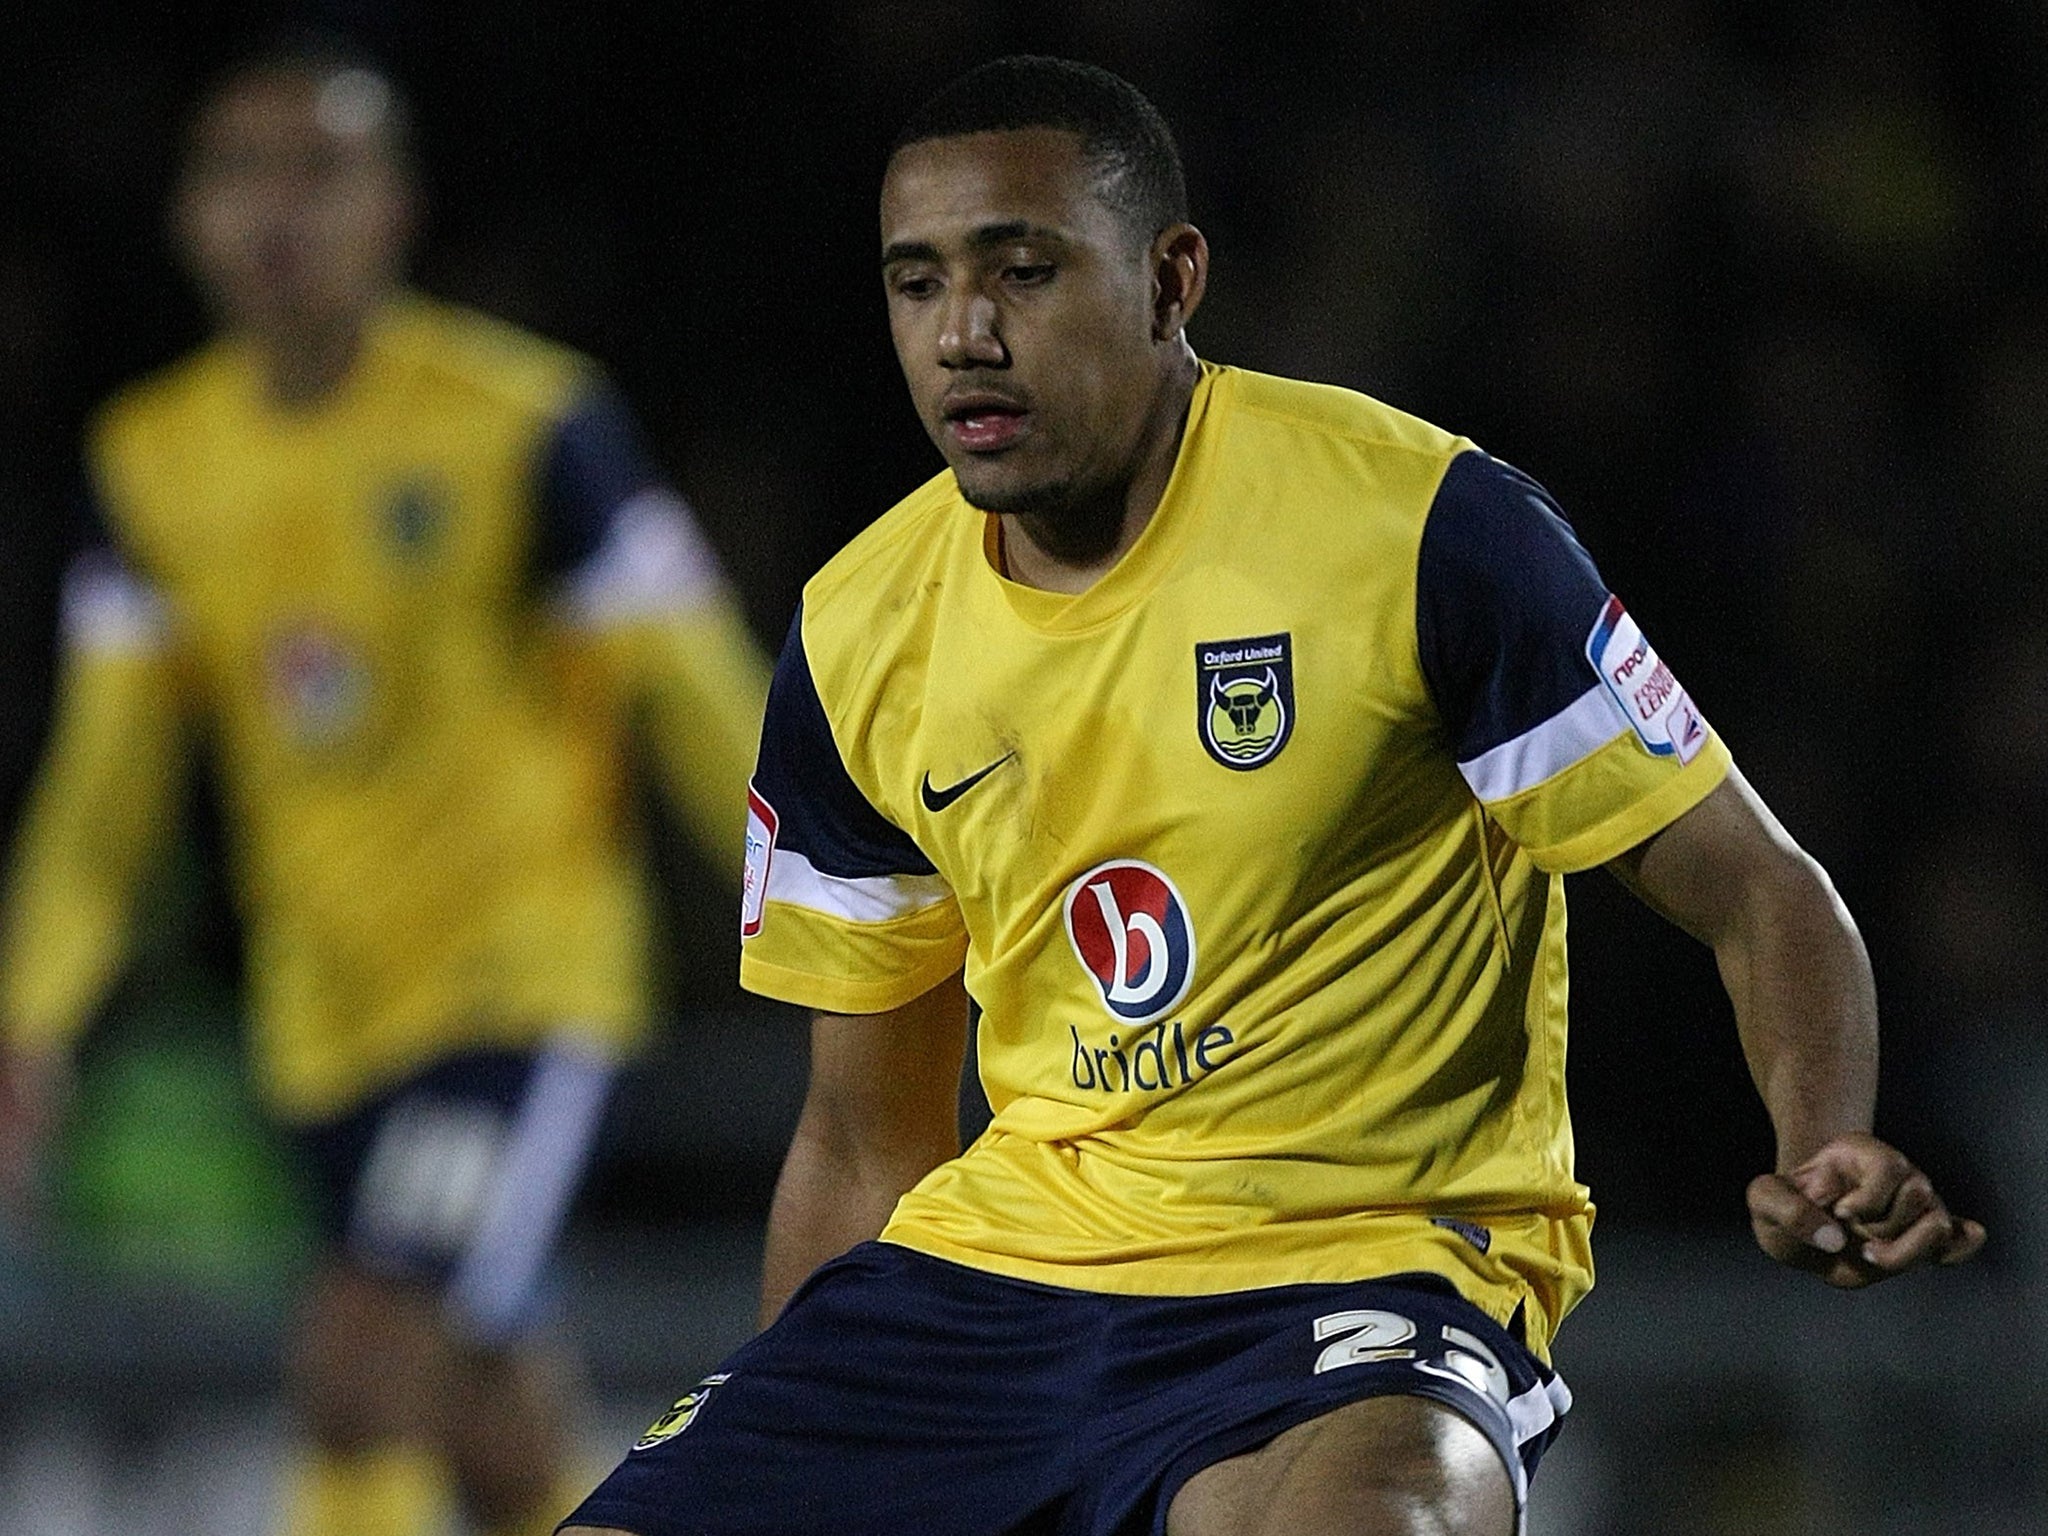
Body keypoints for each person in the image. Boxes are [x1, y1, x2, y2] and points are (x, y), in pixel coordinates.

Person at [562, 55, 1984, 1536]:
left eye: (1024, 270)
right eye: (915, 286)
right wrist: (816, 1441)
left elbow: (1758, 887)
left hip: (1362, 1280)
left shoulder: (1420, 526)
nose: (964, 334)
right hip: (1000, 1287)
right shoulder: (858, 629)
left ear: (1174, 279)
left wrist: (1826, 1140)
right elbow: (863, 1139)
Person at [0, 37, 770, 1536]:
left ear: (395, 210)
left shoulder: (531, 425)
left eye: (322, 171)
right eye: (239, 173)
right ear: (187, 216)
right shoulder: (151, 461)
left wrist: (850, 903)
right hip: (323, 1024)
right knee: (490, 1425)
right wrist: (24, 1022)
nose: (278, 212)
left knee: (360, 1361)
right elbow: (105, 799)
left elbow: (694, 693)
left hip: (517, 996)